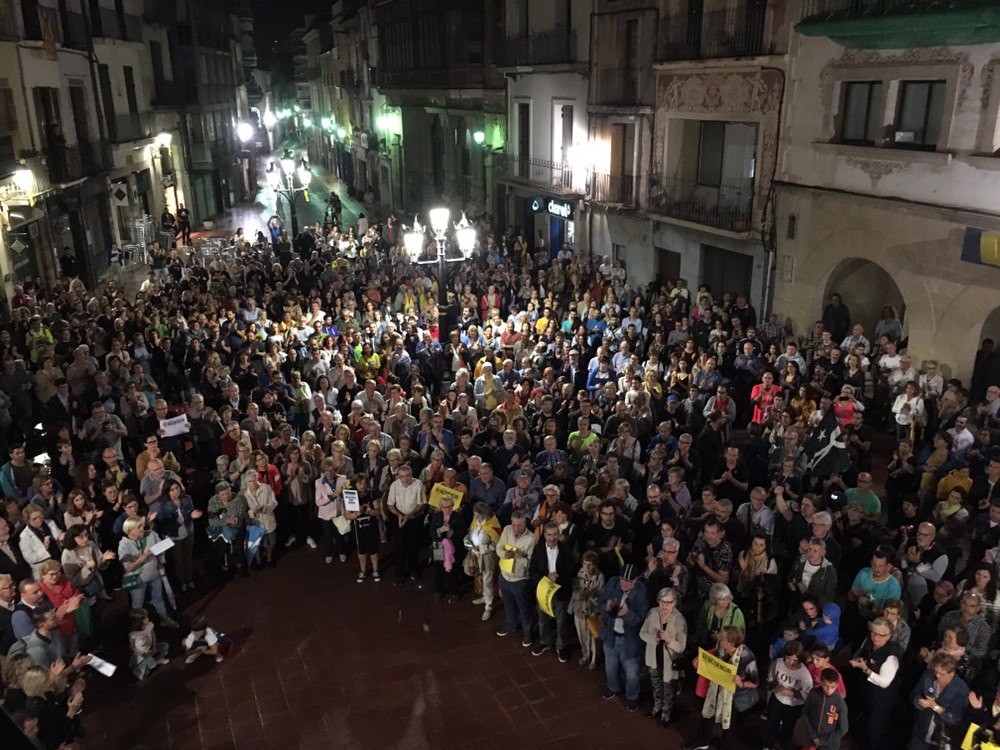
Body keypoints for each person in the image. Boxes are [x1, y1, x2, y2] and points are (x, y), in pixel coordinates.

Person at [687, 625, 759, 750]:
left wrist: (741, 682)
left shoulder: (747, 657)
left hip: (735, 695)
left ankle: (725, 746)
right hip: (717, 687)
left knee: (729, 724)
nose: (719, 639)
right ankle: (702, 740)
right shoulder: (721, 647)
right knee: (707, 714)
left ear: (730, 643)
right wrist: (700, 659)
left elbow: (755, 682)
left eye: (722, 638)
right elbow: (714, 655)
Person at [599, 564, 649, 712]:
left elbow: (641, 620)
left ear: (635, 580)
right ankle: (613, 687)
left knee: (632, 672)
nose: (624, 583)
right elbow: (601, 602)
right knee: (610, 666)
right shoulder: (613, 582)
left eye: (628, 581)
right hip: (610, 634)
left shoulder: (641, 592)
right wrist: (606, 608)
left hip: (630, 639)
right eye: (622, 579)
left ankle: (632, 698)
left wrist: (627, 614)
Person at [847, 617, 900, 750]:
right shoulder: (869, 642)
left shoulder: (891, 655)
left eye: (881, 635)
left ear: (889, 636)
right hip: (866, 694)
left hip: (880, 701)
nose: (876, 637)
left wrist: (866, 669)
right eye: (874, 633)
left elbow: (884, 682)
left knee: (875, 731)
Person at [117, 517, 179, 629]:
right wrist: (143, 557)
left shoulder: (150, 534)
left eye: (142, 525)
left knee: (158, 599)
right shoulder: (124, 545)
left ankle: (165, 618)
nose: (142, 528)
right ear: (130, 530)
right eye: (139, 527)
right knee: (137, 605)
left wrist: (162, 549)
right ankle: (138, 627)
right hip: (137, 579)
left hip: (154, 575)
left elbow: (161, 548)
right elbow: (128, 568)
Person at [528, 521, 576, 662]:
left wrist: (557, 579)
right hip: (543, 590)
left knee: (561, 621)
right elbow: (532, 571)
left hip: (560, 591)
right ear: (544, 535)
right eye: (549, 535)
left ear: (558, 535)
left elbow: (571, 571)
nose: (552, 538)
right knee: (542, 619)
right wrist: (547, 578)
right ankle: (545, 642)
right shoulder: (538, 549)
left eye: (555, 534)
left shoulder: (566, 549)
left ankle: (561, 646)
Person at [640, 586, 687, 725]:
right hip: (654, 657)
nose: (665, 606)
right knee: (656, 685)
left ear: (674, 603)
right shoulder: (652, 613)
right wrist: (653, 637)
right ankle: (656, 707)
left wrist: (669, 640)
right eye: (662, 601)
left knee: (668, 688)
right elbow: (642, 633)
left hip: (669, 661)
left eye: (669, 602)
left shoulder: (679, 619)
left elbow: (681, 647)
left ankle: (666, 714)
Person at [908, 652, 969, 750]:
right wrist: (920, 702)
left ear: (952, 673)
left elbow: (955, 718)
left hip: (940, 739)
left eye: (942, 673)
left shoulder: (961, 689)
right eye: (936, 671)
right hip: (921, 731)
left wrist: (934, 706)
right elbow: (914, 695)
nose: (938, 675)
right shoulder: (928, 676)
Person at [495, 511, 537, 647]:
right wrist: (504, 554)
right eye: (514, 525)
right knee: (507, 604)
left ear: (525, 524)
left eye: (519, 526)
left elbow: (530, 562)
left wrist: (516, 557)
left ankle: (527, 633)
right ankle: (510, 624)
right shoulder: (507, 530)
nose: (516, 529)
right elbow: (499, 547)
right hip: (504, 575)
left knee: (524, 608)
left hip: (520, 580)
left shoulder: (531, 539)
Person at [762, 639, 812, 750]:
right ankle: (768, 745)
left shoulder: (804, 674)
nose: (790, 663)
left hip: (794, 705)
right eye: (788, 658)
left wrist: (792, 693)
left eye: (795, 660)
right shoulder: (777, 663)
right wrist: (776, 687)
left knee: (788, 729)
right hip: (778, 699)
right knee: (771, 724)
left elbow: (807, 695)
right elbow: (769, 680)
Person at [795, 668, 849, 750]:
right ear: (821, 681)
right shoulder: (813, 693)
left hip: (829, 746)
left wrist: (822, 741)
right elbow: (805, 712)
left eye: (832, 687)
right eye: (826, 686)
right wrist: (812, 735)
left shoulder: (840, 703)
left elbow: (843, 729)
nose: (829, 690)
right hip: (810, 740)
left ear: (837, 685)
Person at [571, 550, 605, 670]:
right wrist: (580, 594)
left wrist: (592, 594)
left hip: (593, 611)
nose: (587, 567)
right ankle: (585, 655)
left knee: (594, 637)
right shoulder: (579, 573)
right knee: (582, 635)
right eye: (585, 564)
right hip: (580, 609)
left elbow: (602, 597)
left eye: (589, 565)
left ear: (595, 565)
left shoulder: (600, 576)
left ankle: (594, 659)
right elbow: (573, 593)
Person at [429, 496, 466, 602]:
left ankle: (454, 592)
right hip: (439, 546)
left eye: (450, 506)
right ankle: (438, 590)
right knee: (438, 569)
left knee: (454, 570)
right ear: (441, 507)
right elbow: (431, 532)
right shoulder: (436, 517)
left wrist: (451, 531)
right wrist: (440, 530)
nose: (448, 509)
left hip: (453, 547)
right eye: (445, 507)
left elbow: (462, 532)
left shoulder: (458, 517)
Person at [128, 607, 170, 680]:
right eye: (145, 618)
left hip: (150, 648)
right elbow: (132, 646)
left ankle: (157, 659)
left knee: (165, 646)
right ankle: (149, 665)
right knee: (147, 667)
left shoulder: (149, 625)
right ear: (139, 621)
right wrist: (141, 653)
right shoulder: (134, 634)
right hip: (141, 654)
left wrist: (154, 647)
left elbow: (153, 636)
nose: (148, 618)